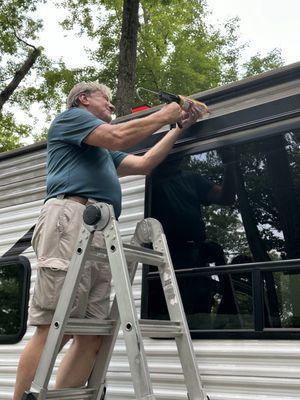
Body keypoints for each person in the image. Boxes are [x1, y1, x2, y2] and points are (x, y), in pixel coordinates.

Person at [13, 81, 204, 399]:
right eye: (108, 100)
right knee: (53, 328)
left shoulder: (102, 151)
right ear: (83, 99)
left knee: (92, 334)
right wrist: (165, 113)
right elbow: (118, 134)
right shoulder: (70, 119)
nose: (113, 107)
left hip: (99, 231)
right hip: (69, 217)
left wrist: (179, 127)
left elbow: (144, 165)